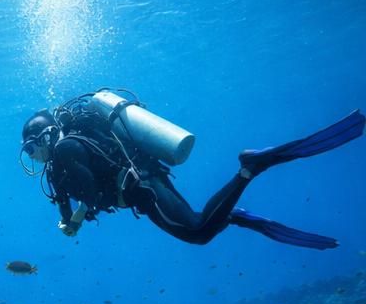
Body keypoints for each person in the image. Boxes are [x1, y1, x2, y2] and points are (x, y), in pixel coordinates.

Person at [20, 92, 364, 250]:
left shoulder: (64, 150)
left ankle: (249, 169)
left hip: (143, 188)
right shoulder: (58, 163)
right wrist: (69, 220)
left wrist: (79, 215)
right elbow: (68, 198)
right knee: (198, 229)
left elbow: (91, 194)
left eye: (31, 147)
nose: (32, 156)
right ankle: (233, 212)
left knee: (198, 231)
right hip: (145, 182)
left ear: (46, 136)